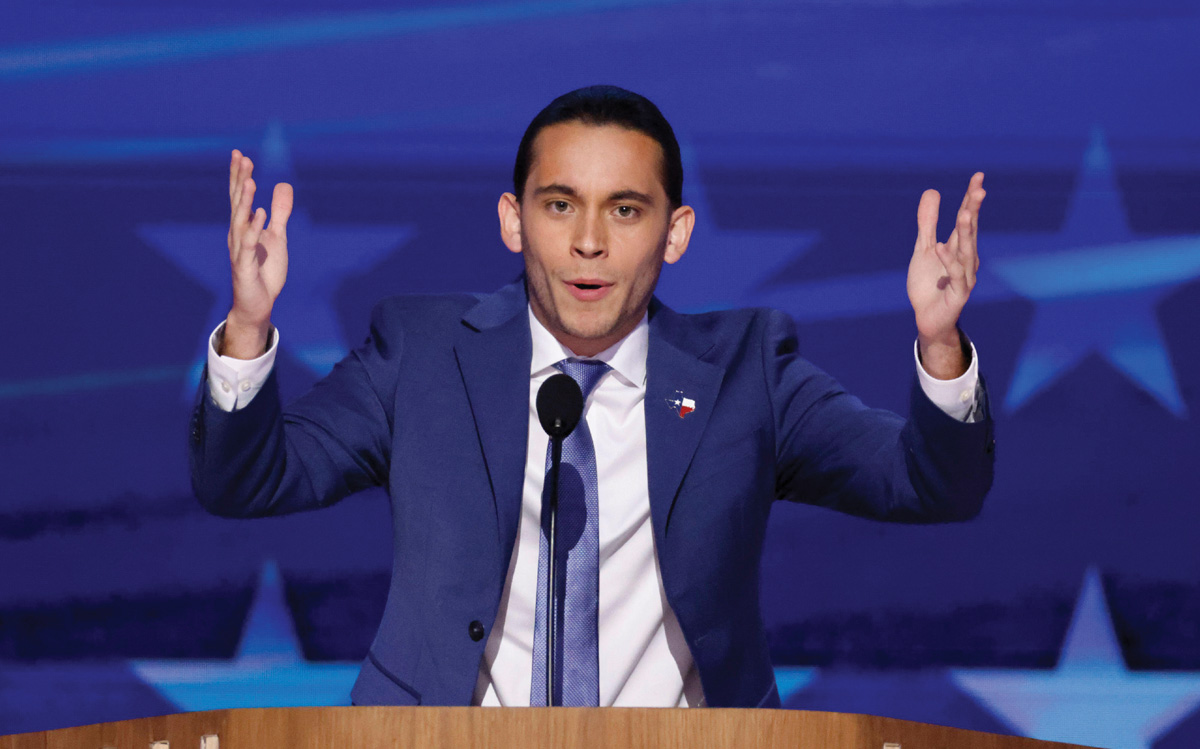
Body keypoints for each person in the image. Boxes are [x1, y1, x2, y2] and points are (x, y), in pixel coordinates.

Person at [190, 85, 994, 709]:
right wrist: (251, 327)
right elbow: (248, 481)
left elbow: (930, 485)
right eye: (559, 204)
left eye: (626, 210)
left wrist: (940, 345)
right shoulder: (422, 353)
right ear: (514, 221)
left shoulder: (746, 371)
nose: (588, 242)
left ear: (675, 233)